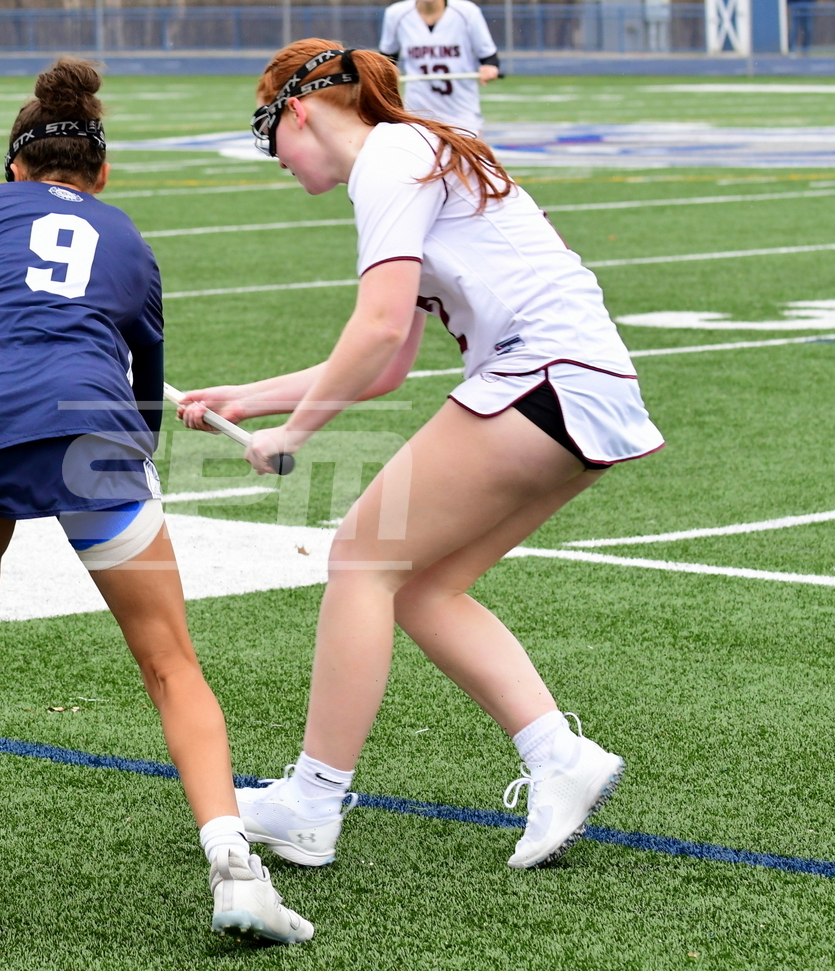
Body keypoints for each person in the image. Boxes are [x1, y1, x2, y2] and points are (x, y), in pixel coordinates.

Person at [179, 42, 664, 871]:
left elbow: (374, 330)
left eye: (269, 132)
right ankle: (559, 756)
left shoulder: (391, 156)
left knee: (360, 559)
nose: (274, 156)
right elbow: (387, 363)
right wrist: (250, 399)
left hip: (544, 375)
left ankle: (312, 802)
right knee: (421, 585)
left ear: (300, 108)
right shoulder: (409, 153)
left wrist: (296, 434)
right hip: (582, 387)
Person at [0, 57, 313, 944]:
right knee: (170, 663)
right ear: (103, 172)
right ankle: (236, 871)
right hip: (95, 436)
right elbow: (147, 405)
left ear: (15, 165)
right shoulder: (128, 240)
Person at [379, 0, 501, 137]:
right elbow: (386, 60)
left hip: (462, 115)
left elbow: (489, 57)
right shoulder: (396, 14)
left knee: (473, 151)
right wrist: (389, 72)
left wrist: (489, 67)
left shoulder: (468, 12)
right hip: (417, 115)